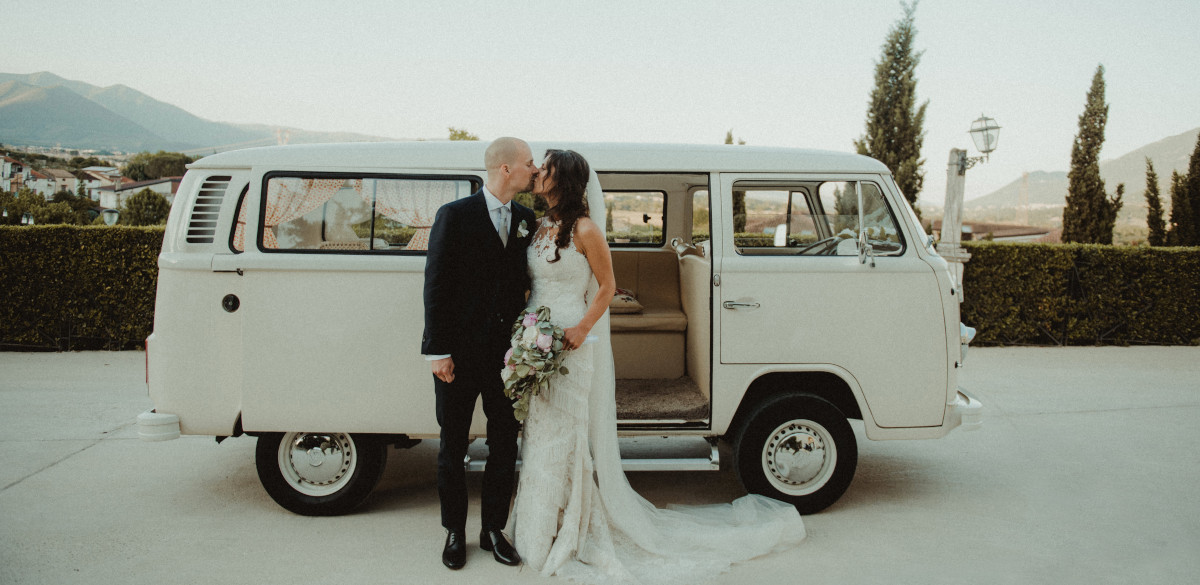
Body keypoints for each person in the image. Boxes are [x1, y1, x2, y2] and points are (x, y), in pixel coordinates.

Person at [508, 149, 807, 584]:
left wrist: (579, 329)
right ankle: (539, 527)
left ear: (563, 179)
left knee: (567, 436)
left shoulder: (586, 229)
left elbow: (607, 286)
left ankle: (569, 529)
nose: (537, 172)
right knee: (540, 434)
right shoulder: (541, 226)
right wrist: (526, 333)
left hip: (571, 342)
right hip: (537, 336)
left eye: (545, 168)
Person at [422, 137, 539, 570]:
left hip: (510, 358)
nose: (536, 170)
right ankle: (454, 530)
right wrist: (438, 351)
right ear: (506, 168)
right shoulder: (453, 215)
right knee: (453, 444)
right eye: (529, 163)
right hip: (458, 355)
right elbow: (436, 286)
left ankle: (494, 528)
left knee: (505, 443)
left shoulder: (527, 218)